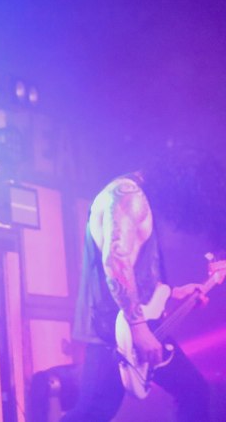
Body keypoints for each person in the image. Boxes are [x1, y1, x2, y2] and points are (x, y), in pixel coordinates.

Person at [63, 148, 226, 421]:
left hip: (133, 323)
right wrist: (138, 329)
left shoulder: (139, 196)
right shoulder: (129, 196)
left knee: (194, 390)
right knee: (93, 413)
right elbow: (115, 263)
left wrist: (172, 292)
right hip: (115, 332)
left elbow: (136, 270)